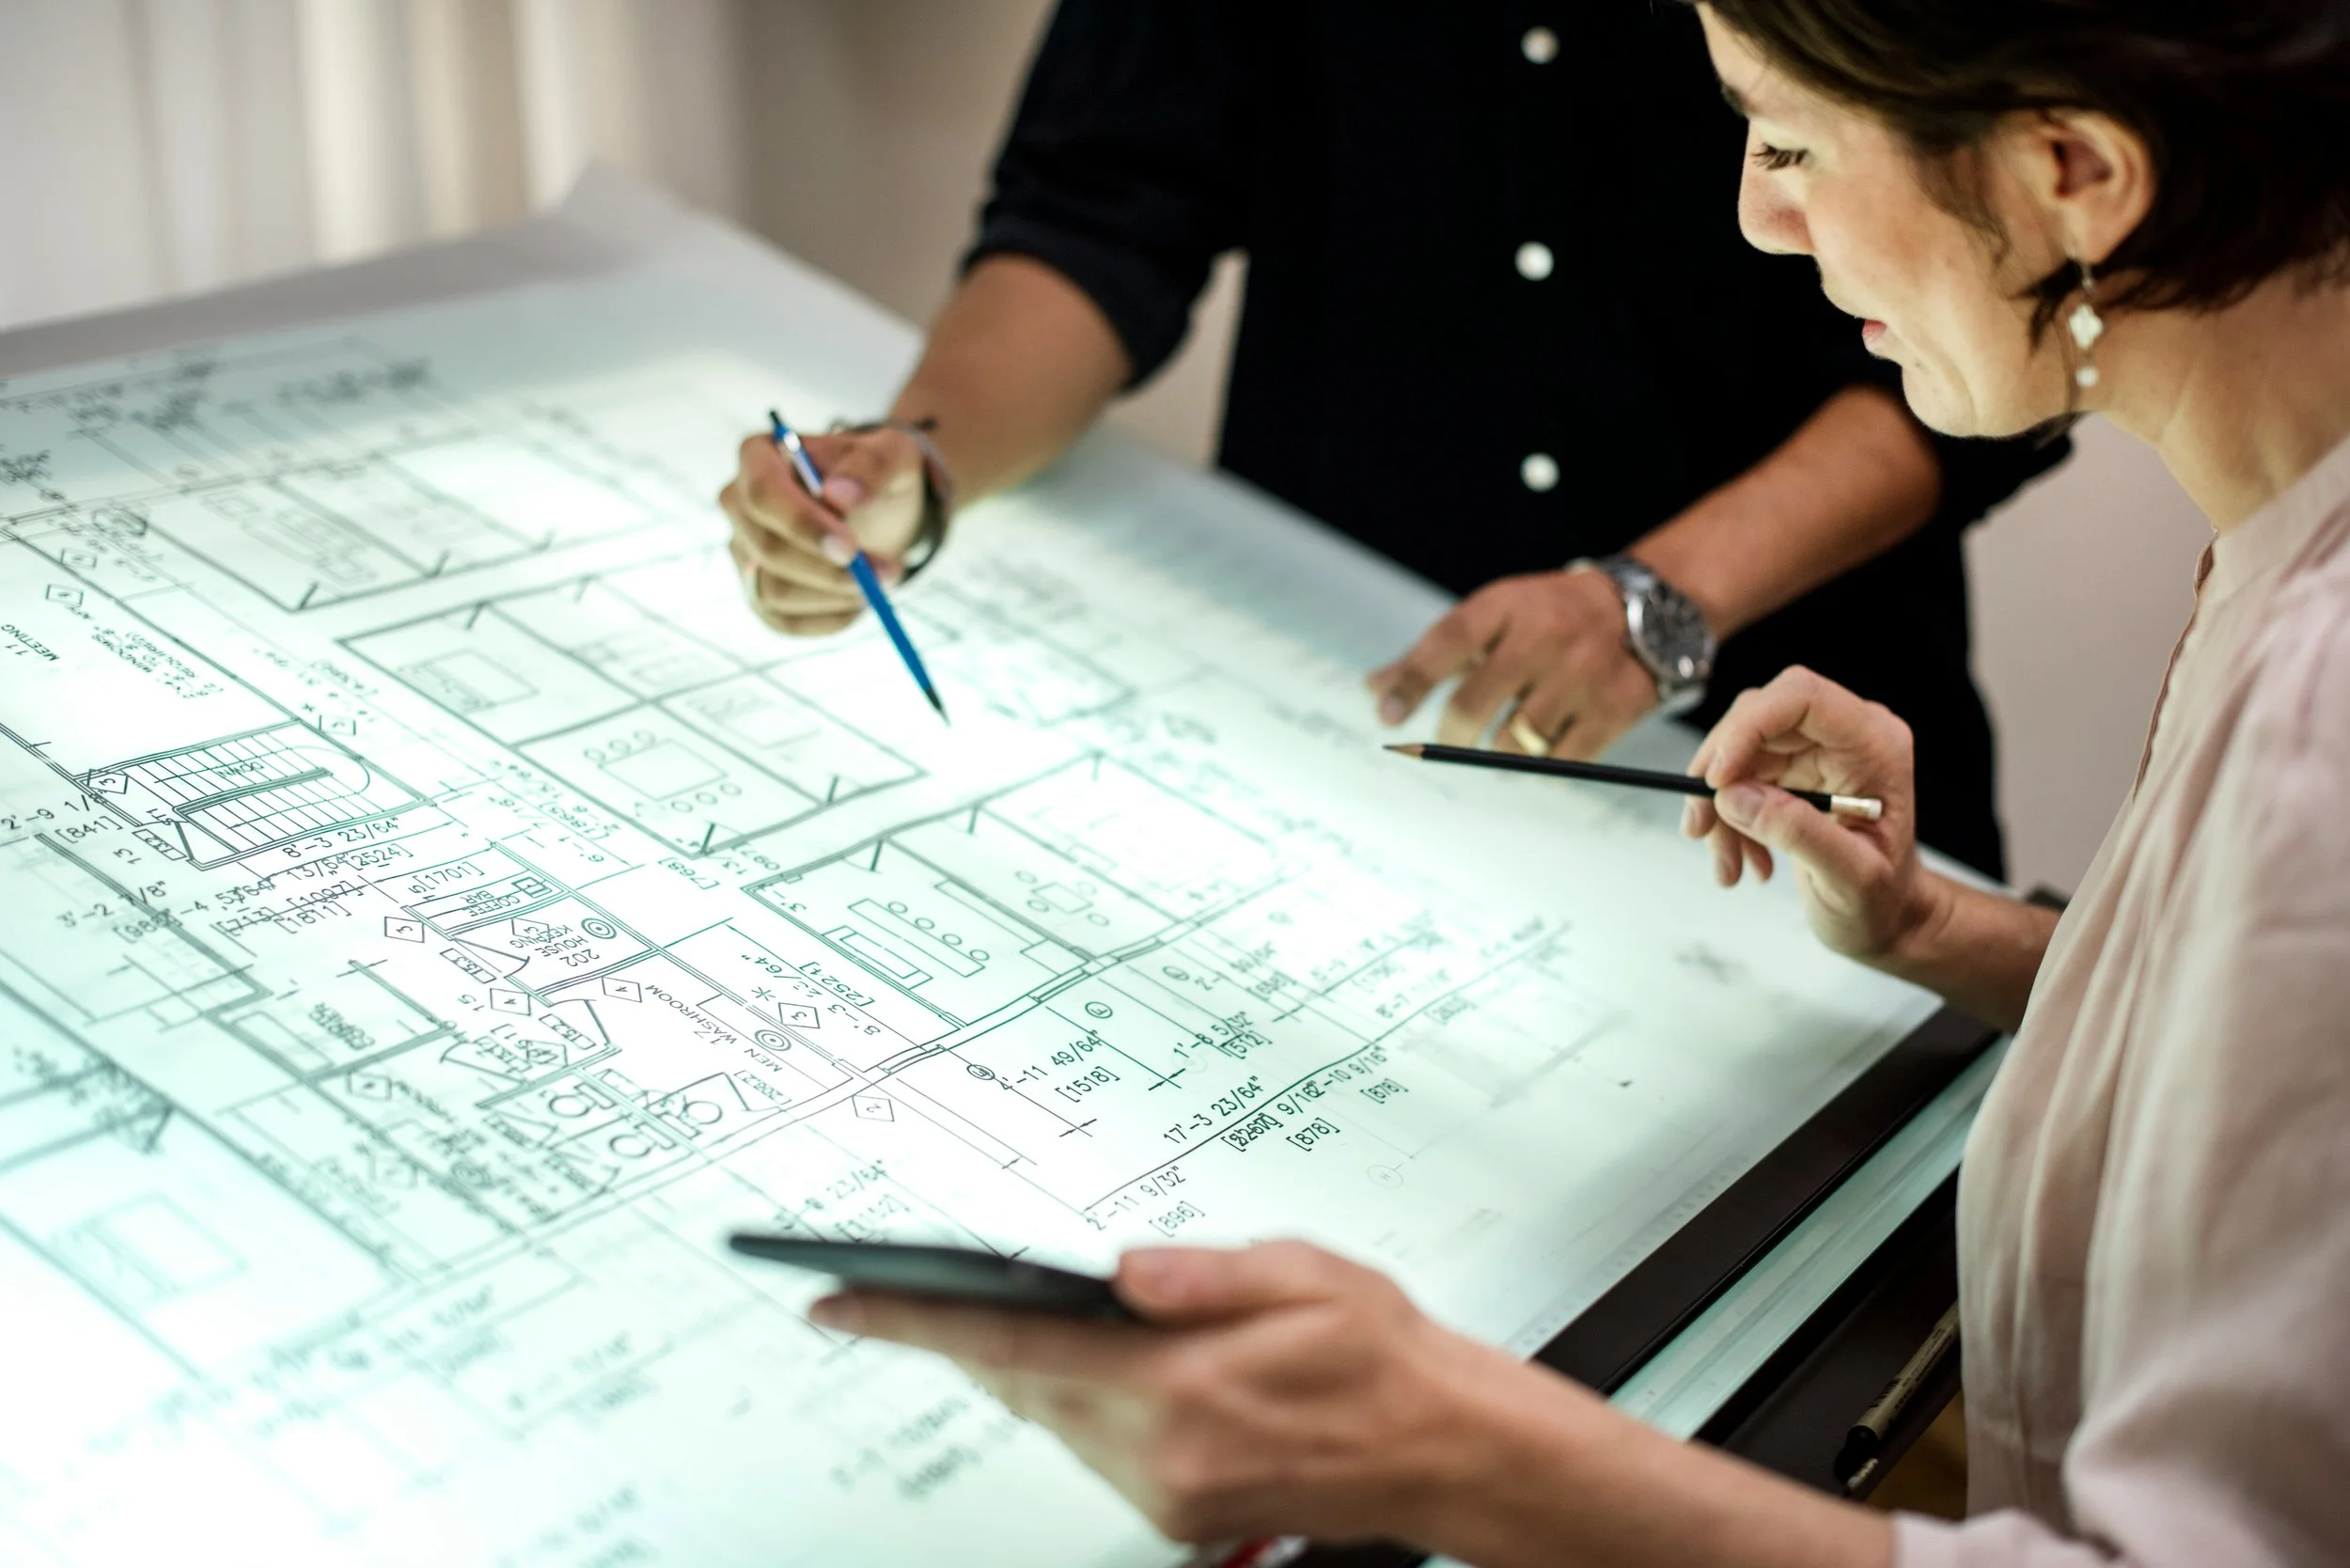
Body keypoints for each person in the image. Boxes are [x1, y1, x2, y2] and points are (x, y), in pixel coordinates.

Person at [803, 3, 2350, 1564]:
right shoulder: (2277, 534)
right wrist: (1954, 938)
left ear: (2073, 173)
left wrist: (1448, 1454)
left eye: (1789, 142)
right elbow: (2257, 1028)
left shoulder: (2315, 724)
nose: (1757, 217)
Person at [720, 3, 2066, 878]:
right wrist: (921, 461)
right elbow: (1101, 203)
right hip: (1342, 703)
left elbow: (2002, 317)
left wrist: (1655, 604)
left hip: (1791, 737)